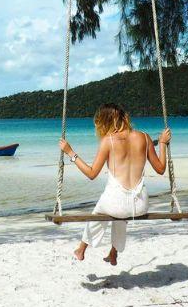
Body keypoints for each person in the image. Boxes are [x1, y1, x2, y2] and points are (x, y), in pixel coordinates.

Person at [60, 103, 171, 266]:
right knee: (121, 211)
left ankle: (81, 249)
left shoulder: (108, 141)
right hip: (140, 205)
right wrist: (162, 143)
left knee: (101, 210)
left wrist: (71, 153)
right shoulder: (145, 137)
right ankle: (113, 252)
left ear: (105, 122)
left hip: (116, 204)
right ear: (125, 117)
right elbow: (161, 169)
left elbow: (91, 174)